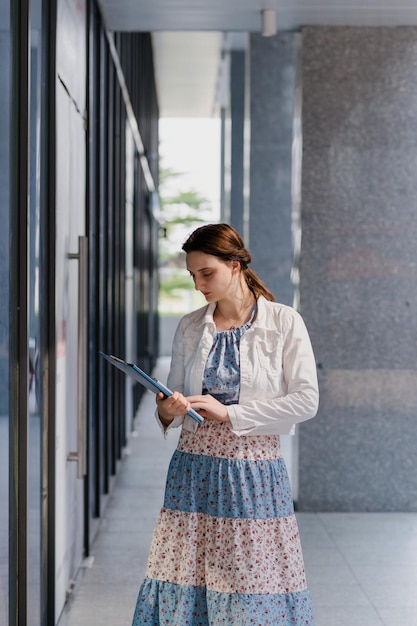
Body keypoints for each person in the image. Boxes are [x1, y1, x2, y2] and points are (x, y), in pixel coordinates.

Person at [132, 222, 319, 626]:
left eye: (207, 273)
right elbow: (172, 401)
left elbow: (307, 401)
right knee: (184, 579)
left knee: (251, 584)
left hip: (253, 475)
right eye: (193, 275)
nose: (199, 284)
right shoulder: (190, 325)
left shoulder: (284, 323)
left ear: (235, 266)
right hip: (192, 471)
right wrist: (168, 408)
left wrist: (229, 412)